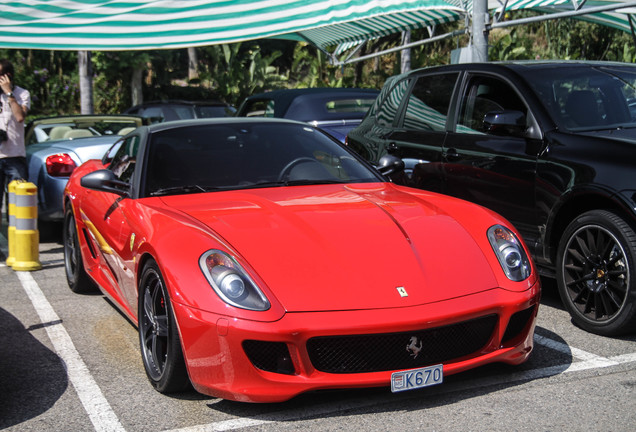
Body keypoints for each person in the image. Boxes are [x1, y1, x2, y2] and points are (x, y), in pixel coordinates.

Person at [0, 59, 31, 216]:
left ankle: (18, 239)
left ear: (7, 77)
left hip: (15, 156)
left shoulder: (22, 94)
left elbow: (19, 117)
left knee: (19, 204)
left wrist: (9, 94)